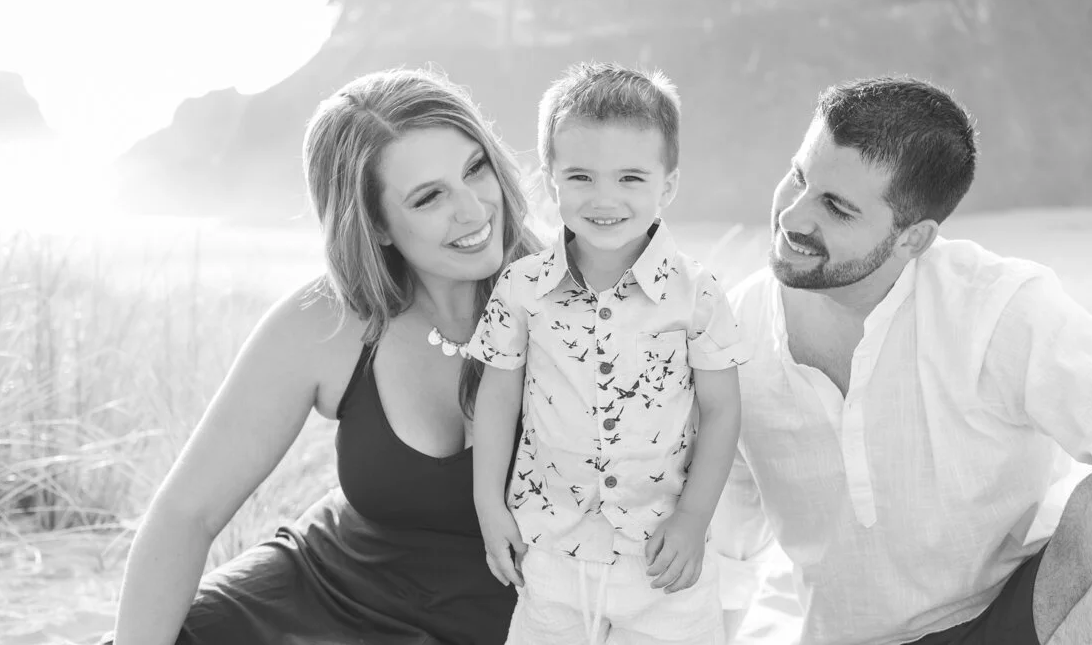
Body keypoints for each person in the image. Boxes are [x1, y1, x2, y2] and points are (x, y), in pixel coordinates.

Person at [713, 76, 1092, 645]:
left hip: (1018, 615)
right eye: (799, 176)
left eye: (836, 208)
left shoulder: (996, 306)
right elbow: (721, 548)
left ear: (912, 239)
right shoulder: (730, 334)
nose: (792, 218)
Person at [104, 68, 541, 645]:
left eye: (474, 168)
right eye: (429, 196)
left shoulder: (579, 301)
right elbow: (188, 513)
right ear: (377, 226)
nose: (473, 210)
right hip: (310, 597)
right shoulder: (327, 321)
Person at [468, 62, 747, 645]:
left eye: (630, 178)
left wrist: (694, 519)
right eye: (580, 177)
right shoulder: (522, 287)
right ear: (550, 181)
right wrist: (488, 504)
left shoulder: (696, 294)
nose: (604, 199)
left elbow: (721, 411)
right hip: (549, 553)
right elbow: (497, 397)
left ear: (666, 185)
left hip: (664, 557)